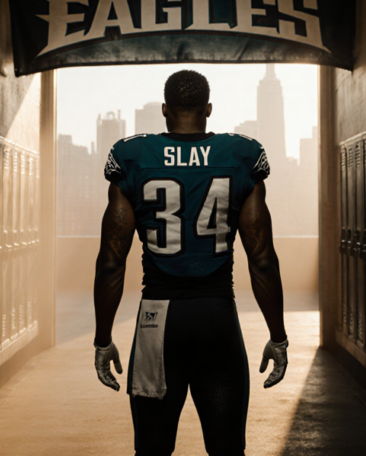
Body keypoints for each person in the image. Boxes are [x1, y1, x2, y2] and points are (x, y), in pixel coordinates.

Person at [92, 69, 289, 456]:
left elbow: (112, 262)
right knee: (227, 449)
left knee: (151, 450)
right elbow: (262, 259)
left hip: (156, 321)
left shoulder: (134, 157)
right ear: (208, 109)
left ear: (165, 110)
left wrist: (103, 339)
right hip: (216, 314)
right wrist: (278, 337)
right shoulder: (239, 156)